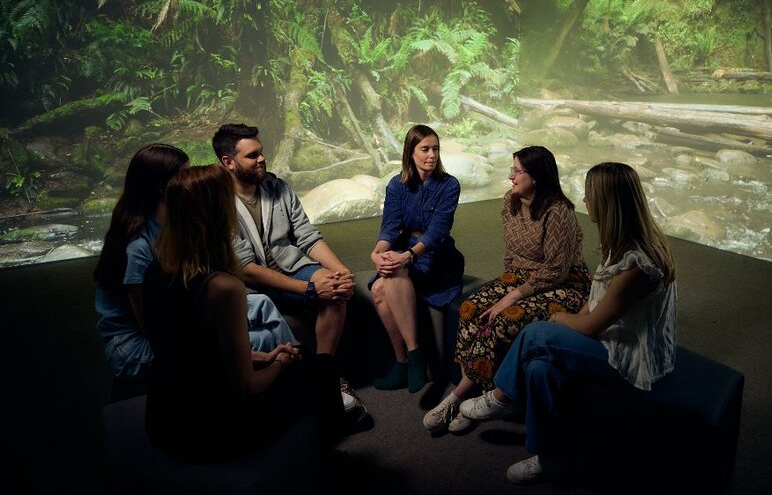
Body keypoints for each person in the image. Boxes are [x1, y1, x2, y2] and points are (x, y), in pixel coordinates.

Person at [458, 162, 678, 485]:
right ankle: (549, 456)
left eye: (591, 196)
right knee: (538, 369)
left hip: (630, 358)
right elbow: (593, 302)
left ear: (609, 202)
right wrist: (567, 323)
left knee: (535, 335)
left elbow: (589, 327)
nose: (586, 202)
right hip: (610, 338)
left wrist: (560, 319)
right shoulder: (620, 245)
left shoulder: (638, 265)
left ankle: (502, 396)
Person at [141, 164, 344, 462]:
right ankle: (328, 464)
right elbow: (246, 387)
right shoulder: (222, 288)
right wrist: (280, 364)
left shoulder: (155, 271)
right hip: (210, 428)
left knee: (297, 362)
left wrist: (262, 357)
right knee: (321, 369)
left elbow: (191, 353)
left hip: (163, 417)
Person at [94, 144, 298, 402]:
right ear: (161, 185)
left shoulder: (171, 227)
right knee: (261, 339)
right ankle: (286, 386)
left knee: (262, 304)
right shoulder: (139, 248)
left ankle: (294, 372)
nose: (189, 180)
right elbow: (153, 327)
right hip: (137, 345)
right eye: (183, 174)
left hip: (174, 322)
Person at [423, 146, 590, 434]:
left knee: (503, 319)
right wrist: (505, 285)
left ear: (536, 176)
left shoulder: (557, 211)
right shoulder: (509, 201)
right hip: (522, 276)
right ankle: (475, 397)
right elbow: (511, 255)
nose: (510, 176)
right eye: (511, 169)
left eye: (517, 170)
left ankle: (457, 398)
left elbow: (555, 270)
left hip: (565, 284)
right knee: (470, 308)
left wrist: (511, 296)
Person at [212, 123, 362, 415]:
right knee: (320, 287)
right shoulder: (217, 203)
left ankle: (324, 370)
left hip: (292, 267)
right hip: (252, 286)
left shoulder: (278, 187)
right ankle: (318, 381)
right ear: (228, 163)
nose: (261, 159)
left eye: (262, 152)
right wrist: (310, 288)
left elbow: (307, 236)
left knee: (338, 288)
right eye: (252, 155)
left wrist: (341, 271)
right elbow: (246, 269)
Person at [369, 124, 464, 393]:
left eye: (435, 149)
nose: (431, 155)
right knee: (377, 290)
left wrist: (408, 256)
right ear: (410, 153)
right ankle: (403, 362)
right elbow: (390, 227)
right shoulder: (397, 185)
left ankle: (413, 357)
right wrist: (377, 252)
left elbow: (437, 232)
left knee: (390, 276)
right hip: (405, 248)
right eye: (425, 149)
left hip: (438, 258)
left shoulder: (449, 185)